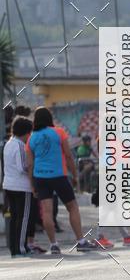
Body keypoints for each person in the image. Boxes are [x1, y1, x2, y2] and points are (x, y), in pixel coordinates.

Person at [25, 106, 95, 254]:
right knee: (72, 207)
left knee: (47, 212)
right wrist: (75, 175)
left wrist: (32, 184)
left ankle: (54, 245)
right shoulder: (59, 132)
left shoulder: (32, 138)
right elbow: (69, 156)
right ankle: (81, 241)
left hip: (40, 177)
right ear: (49, 118)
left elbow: (30, 164)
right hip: (59, 176)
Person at [2, 116, 45, 256]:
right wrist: (33, 168)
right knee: (23, 218)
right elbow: (22, 167)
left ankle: (15, 248)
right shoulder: (20, 145)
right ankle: (21, 248)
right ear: (26, 132)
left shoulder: (8, 143)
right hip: (21, 187)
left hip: (8, 185)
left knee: (14, 218)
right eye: (30, 133)